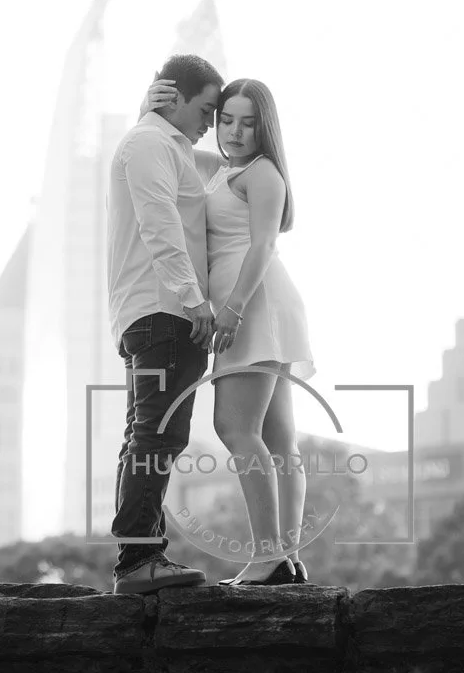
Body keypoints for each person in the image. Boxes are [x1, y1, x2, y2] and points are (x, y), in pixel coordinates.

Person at [140, 74, 314, 586]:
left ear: (266, 128)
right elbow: (158, 147)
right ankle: (287, 558)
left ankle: (268, 557)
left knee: (236, 429)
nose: (235, 132)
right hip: (260, 304)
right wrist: (148, 106)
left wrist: (233, 309)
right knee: (279, 438)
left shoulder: (262, 174)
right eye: (226, 120)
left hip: (256, 302)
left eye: (248, 122)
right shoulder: (221, 170)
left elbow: (262, 247)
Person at [107, 53, 224, 594]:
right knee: (156, 436)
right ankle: (137, 563)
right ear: (173, 97)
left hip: (156, 313)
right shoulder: (151, 143)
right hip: (163, 313)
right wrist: (194, 299)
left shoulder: (165, 143)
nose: (211, 120)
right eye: (206, 108)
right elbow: (160, 225)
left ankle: (143, 558)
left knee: (151, 435)